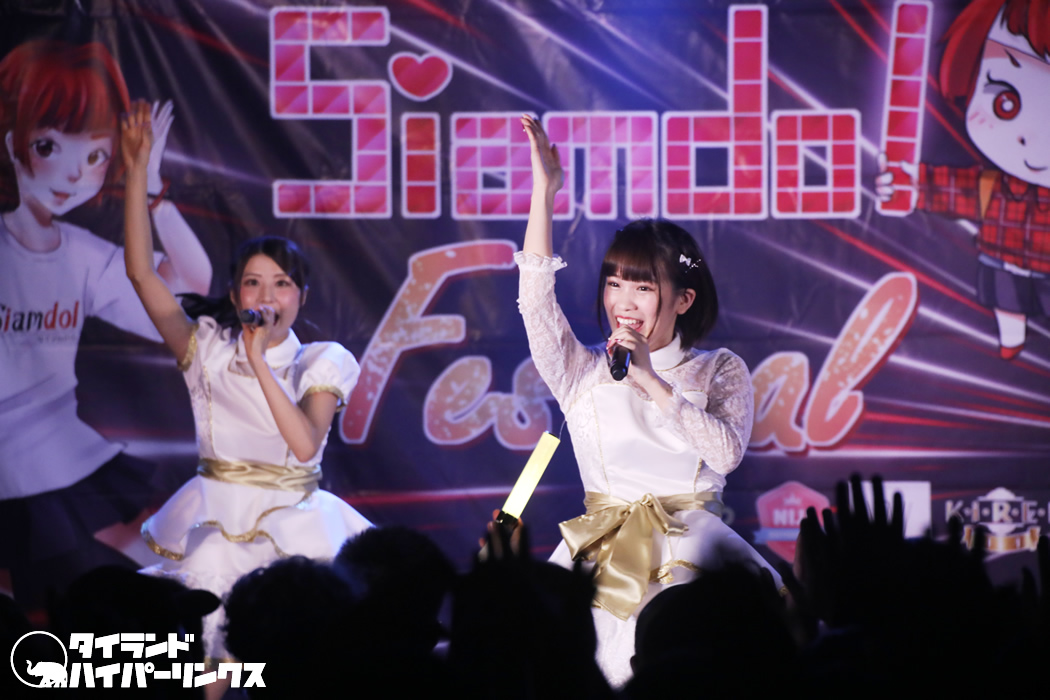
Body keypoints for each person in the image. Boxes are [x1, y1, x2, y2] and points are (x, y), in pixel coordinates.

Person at [517, 114, 782, 685]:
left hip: (695, 550)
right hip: (600, 553)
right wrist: (545, 191)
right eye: (615, 283)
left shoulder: (719, 369)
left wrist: (653, 382)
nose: (624, 301)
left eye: (642, 286)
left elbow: (727, 453)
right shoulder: (582, 370)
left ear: (683, 299)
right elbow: (536, 304)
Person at [120, 102, 373, 668]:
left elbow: (304, 445)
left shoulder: (321, 361)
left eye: (281, 284)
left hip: (297, 525)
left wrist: (260, 361)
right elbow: (140, 274)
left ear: (301, 297)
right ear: (235, 295)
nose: (267, 296)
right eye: (253, 283)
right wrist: (136, 173)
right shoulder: (205, 349)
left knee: (295, 659)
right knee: (208, 652)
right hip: (213, 516)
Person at [0, 39, 212, 605]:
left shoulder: (80, 254)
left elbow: (189, 289)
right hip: (16, 467)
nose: (74, 173)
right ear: (12, 142)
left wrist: (153, 187)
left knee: (158, 555)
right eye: (49, 145)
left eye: (96, 156)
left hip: (64, 452)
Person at [876, 0, 1050, 359]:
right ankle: (1011, 339)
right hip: (1001, 258)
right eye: (1005, 102)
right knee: (1006, 301)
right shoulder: (994, 187)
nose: (1031, 137)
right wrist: (910, 184)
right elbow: (958, 189)